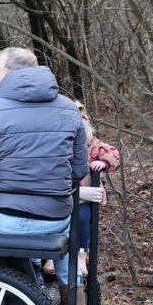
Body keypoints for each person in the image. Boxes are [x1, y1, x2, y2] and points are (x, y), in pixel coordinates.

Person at [0, 47, 89, 305]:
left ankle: (15, 292)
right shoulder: (69, 108)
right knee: (65, 237)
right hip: (56, 217)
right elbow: (79, 170)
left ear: (10, 74)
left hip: (5, 220)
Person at [43, 101, 121, 278]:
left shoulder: (92, 144)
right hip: (62, 196)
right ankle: (51, 257)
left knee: (83, 218)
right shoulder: (57, 143)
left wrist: (104, 162)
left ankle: (80, 254)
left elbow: (113, 153)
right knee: (57, 220)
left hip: (85, 197)